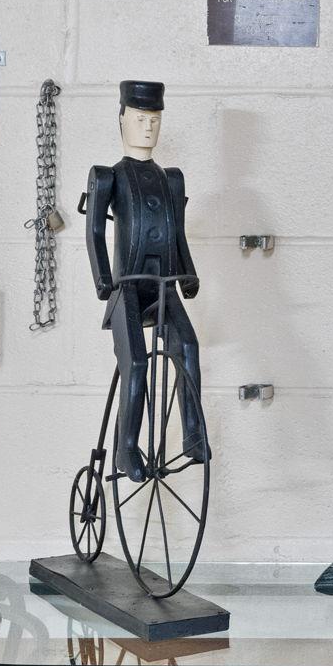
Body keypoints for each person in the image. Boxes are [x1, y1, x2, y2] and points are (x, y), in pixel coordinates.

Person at [80, 80, 210, 481]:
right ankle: (126, 450)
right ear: (122, 119)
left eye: (154, 119)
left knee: (188, 346)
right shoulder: (109, 177)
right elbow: (94, 232)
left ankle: (192, 435)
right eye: (140, 119)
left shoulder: (171, 179)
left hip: (164, 285)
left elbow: (177, 234)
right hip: (128, 290)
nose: (148, 127)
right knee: (136, 361)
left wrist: (188, 274)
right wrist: (103, 280)